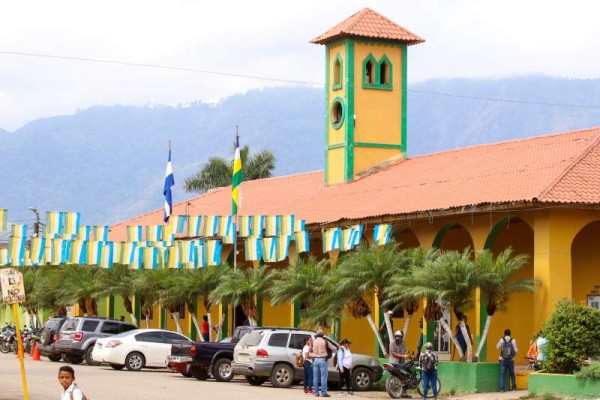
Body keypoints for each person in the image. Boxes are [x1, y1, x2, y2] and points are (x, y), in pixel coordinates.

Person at [312, 328, 336, 397]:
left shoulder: (314, 342)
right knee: (323, 377)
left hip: (315, 360)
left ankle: (316, 393)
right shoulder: (325, 341)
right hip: (323, 360)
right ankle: (324, 392)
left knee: (315, 377)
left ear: (316, 335)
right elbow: (333, 348)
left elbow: (311, 349)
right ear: (322, 335)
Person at [389, 330, 411, 398]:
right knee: (395, 377)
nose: (398, 338)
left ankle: (404, 393)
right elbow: (393, 354)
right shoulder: (392, 344)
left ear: (401, 337)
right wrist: (403, 356)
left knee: (404, 377)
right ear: (395, 336)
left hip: (402, 363)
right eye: (397, 336)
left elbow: (405, 350)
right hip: (394, 363)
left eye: (399, 336)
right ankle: (394, 392)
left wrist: (407, 354)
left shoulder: (402, 343)